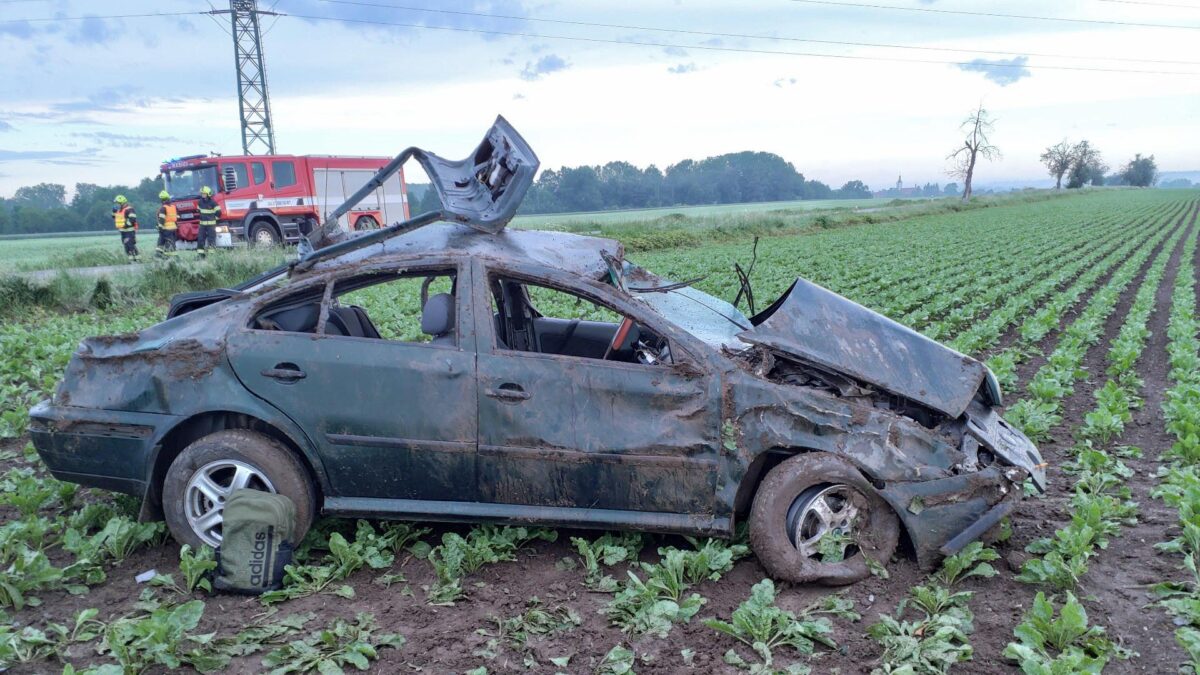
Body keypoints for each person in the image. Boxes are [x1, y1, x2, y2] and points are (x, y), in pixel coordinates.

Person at [112, 195, 140, 263]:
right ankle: (131, 260)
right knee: (126, 246)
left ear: (121, 203)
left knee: (130, 245)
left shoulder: (129, 209)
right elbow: (114, 217)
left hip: (129, 231)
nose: (117, 204)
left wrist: (125, 225)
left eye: (118, 203)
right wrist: (113, 212)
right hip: (123, 232)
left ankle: (138, 260)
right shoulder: (119, 210)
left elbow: (132, 219)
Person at [197, 185, 221, 258]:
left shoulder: (213, 203)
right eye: (202, 193)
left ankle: (212, 256)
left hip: (211, 226)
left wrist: (214, 219)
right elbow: (198, 211)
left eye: (204, 193)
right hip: (202, 225)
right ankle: (201, 255)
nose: (202, 195)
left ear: (208, 194)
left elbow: (219, 212)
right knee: (200, 239)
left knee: (211, 240)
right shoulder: (200, 202)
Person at [155, 190, 179, 259]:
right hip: (173, 228)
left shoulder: (163, 208)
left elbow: (162, 220)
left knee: (168, 244)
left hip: (166, 229)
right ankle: (159, 255)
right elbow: (177, 217)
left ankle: (171, 258)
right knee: (164, 242)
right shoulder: (174, 207)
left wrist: (160, 228)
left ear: (162, 200)